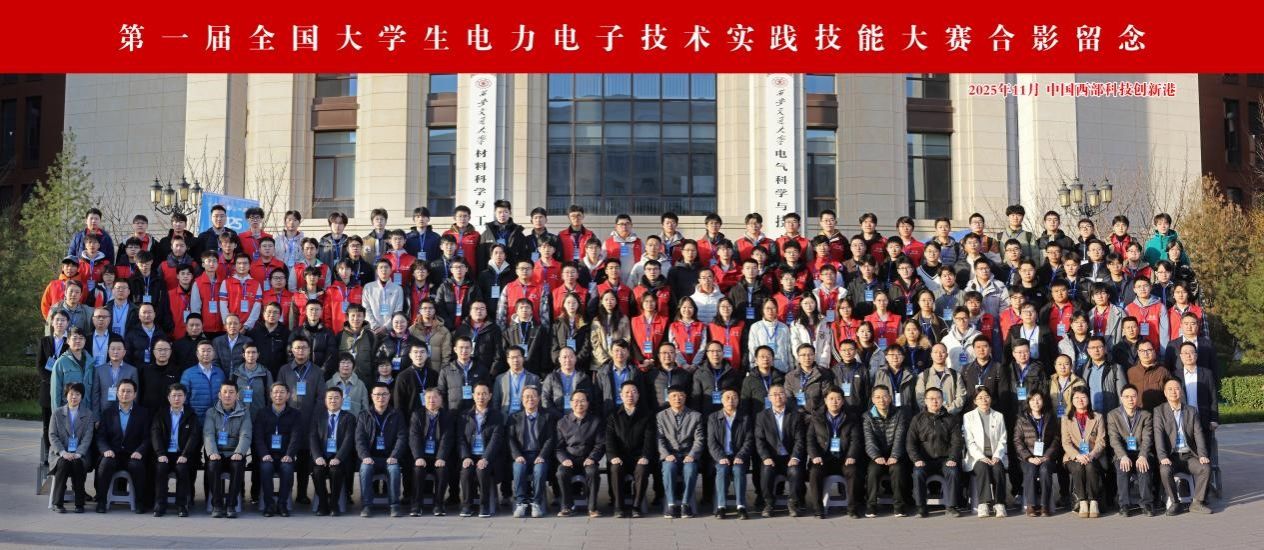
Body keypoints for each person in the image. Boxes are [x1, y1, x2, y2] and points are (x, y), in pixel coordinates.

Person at [1154, 377, 1214, 515]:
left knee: (1205, 467)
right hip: (1171, 456)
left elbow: (1198, 434)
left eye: (1177, 388)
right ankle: (1175, 503)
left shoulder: (1191, 411)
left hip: (1189, 455)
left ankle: (1197, 502)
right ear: (1165, 393)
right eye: (1170, 389)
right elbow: (1158, 435)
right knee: (1164, 470)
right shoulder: (1159, 411)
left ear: (1181, 391)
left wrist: (1202, 455)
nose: (1173, 392)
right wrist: (1162, 457)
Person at [93, 378, 151, 513]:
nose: (125, 394)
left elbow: (147, 437)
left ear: (135, 394)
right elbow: (100, 436)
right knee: (105, 464)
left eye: (129, 391)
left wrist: (140, 451)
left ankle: (139, 502)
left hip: (133, 454)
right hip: (113, 453)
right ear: (117, 393)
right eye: (122, 391)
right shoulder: (108, 413)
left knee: (138, 467)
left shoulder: (143, 413)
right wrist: (106, 450)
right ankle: (101, 501)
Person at [906, 387, 962, 517]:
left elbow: (957, 442)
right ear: (925, 401)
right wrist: (916, 459)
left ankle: (951, 507)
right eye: (931, 398)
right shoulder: (917, 419)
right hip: (924, 460)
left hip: (945, 459)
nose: (935, 401)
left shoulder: (951, 419)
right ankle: (921, 507)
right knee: (918, 473)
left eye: (938, 398)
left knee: (953, 472)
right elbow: (910, 442)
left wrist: (953, 458)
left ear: (943, 400)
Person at [752, 385, 805, 517]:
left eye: (781, 393)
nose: (778, 397)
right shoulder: (762, 416)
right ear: (769, 398)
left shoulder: (795, 415)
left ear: (785, 396)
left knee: (795, 470)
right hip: (772, 457)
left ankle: (793, 503)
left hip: (789, 457)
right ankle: (769, 503)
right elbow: (759, 440)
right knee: (766, 470)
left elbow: (800, 439)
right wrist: (765, 457)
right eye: (774, 394)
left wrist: (795, 457)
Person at [606, 381, 656, 517]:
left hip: (639, 456)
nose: (630, 395)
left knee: (642, 469)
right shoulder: (613, 415)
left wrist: (645, 456)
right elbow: (609, 439)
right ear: (621, 395)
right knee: (615, 469)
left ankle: (636, 506)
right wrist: (613, 456)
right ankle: (618, 506)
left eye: (633, 392)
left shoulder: (647, 414)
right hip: (620, 457)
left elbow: (649, 439)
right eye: (627, 392)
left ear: (638, 395)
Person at [253, 382, 302, 517]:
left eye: (281, 392)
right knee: (266, 468)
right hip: (267, 455)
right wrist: (264, 454)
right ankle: (269, 505)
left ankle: (282, 504)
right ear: (270, 395)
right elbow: (258, 437)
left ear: (288, 395)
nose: (278, 395)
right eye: (275, 392)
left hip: (285, 454)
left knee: (287, 468)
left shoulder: (295, 414)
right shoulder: (262, 413)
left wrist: (289, 454)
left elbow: (296, 437)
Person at [203, 381, 251, 518]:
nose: (227, 395)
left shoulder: (244, 412)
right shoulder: (211, 412)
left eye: (231, 392)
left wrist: (239, 452)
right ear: (219, 395)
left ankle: (231, 504)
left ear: (237, 395)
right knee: (213, 465)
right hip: (217, 453)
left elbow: (246, 434)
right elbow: (208, 434)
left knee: (237, 465)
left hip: (234, 452)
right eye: (224, 392)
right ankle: (217, 505)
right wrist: (212, 452)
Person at [152, 383, 200, 517]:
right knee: (161, 468)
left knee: (182, 469)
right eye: (174, 396)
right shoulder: (160, 414)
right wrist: (160, 453)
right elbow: (155, 434)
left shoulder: (191, 415)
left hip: (182, 454)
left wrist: (185, 454)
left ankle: (181, 505)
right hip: (165, 454)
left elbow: (194, 436)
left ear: (185, 397)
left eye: (180, 395)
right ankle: (160, 504)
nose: (177, 399)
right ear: (168, 398)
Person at [555, 390, 605, 518]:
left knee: (593, 472)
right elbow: (558, 447)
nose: (579, 404)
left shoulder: (595, 421)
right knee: (561, 473)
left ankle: (592, 507)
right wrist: (564, 459)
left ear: (588, 403)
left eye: (582, 401)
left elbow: (600, 444)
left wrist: (592, 458)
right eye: (576, 401)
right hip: (569, 459)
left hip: (588, 459)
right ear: (571, 403)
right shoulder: (562, 422)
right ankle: (567, 506)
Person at [1108, 384, 1156, 517]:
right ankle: (1124, 504)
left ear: (1137, 397)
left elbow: (1147, 438)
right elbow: (1114, 439)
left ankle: (1147, 503)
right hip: (1123, 453)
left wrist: (1143, 455)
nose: (1130, 399)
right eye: (1127, 396)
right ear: (1121, 398)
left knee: (1143, 466)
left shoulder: (1145, 415)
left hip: (1141, 452)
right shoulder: (1113, 415)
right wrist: (1123, 456)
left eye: (1133, 396)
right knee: (1122, 467)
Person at [657, 385, 704, 519]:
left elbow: (699, 439)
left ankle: (686, 503)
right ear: (668, 398)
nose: (677, 399)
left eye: (681, 396)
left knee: (690, 469)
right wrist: (666, 455)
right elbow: (659, 439)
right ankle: (671, 504)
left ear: (685, 397)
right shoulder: (661, 416)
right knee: (669, 468)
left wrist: (692, 455)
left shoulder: (696, 416)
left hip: (688, 454)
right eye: (674, 396)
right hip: (670, 455)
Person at [862, 385, 909, 517]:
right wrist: (876, 456)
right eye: (877, 397)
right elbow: (869, 440)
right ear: (873, 399)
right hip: (877, 456)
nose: (881, 400)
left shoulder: (899, 414)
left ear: (890, 398)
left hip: (895, 455)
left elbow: (900, 437)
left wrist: (895, 455)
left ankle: (899, 506)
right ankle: (871, 506)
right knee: (873, 471)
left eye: (884, 396)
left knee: (897, 469)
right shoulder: (867, 416)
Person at [48, 383, 95, 513]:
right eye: (71, 394)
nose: (74, 397)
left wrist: (78, 453)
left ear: (82, 396)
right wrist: (63, 452)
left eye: (77, 394)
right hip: (60, 453)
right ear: (66, 396)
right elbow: (52, 435)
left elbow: (88, 437)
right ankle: (58, 503)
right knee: (63, 464)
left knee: (77, 463)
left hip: (80, 454)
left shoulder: (88, 414)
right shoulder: (57, 413)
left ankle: (79, 503)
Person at [459, 381, 504, 518]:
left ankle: (484, 506)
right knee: (466, 471)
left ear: (490, 396)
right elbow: (460, 439)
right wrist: (466, 456)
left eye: (484, 394)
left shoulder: (496, 415)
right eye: (478, 394)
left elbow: (496, 440)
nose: (481, 397)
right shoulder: (465, 416)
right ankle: (467, 506)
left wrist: (485, 458)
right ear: (473, 395)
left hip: (489, 457)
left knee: (482, 470)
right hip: (470, 455)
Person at [311, 387, 357, 516]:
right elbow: (312, 437)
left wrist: (338, 457)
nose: (333, 401)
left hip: (340, 457)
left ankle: (334, 504)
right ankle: (322, 503)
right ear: (325, 400)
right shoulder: (318, 417)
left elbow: (349, 440)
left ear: (342, 400)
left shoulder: (349, 417)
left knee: (335, 471)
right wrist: (317, 456)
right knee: (317, 471)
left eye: (336, 398)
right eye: (330, 398)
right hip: (322, 456)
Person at [409, 388, 455, 516]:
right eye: (428, 397)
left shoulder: (447, 416)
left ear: (441, 400)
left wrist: (441, 457)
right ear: (424, 400)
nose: (431, 400)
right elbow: (414, 437)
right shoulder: (417, 415)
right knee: (418, 469)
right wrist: (418, 456)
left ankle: (439, 504)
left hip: (438, 456)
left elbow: (447, 438)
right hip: (422, 456)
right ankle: (416, 505)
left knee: (442, 470)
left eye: (435, 397)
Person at [1061, 386, 1106, 518]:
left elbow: (1101, 441)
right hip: (1073, 456)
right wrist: (1077, 455)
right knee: (1078, 467)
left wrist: (1092, 454)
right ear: (1072, 400)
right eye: (1076, 397)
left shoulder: (1098, 417)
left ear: (1088, 399)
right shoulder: (1066, 418)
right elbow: (1066, 442)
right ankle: (1082, 501)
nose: (1080, 400)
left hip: (1093, 455)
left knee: (1090, 467)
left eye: (1083, 397)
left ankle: (1093, 501)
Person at [1013, 390, 1060, 517]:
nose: (1036, 402)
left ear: (1043, 401)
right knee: (1031, 470)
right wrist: (1028, 457)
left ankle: (1045, 505)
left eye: (1039, 399)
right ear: (1028, 402)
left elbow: (1056, 439)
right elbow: (1017, 441)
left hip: (1046, 458)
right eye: (1033, 400)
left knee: (1045, 470)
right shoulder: (1022, 418)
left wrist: (1047, 456)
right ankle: (1031, 505)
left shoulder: (1050, 417)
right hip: (1028, 458)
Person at [963, 388, 1007, 517]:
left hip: (995, 455)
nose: (984, 400)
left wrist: (997, 455)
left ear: (991, 399)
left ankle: (999, 503)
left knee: (998, 469)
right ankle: (983, 503)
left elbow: (1003, 439)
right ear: (975, 401)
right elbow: (969, 441)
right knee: (982, 467)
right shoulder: (968, 416)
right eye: (980, 398)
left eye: (987, 397)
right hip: (977, 456)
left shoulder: (998, 416)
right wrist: (981, 457)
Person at [915, 343, 967, 414]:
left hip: (951, 417)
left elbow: (961, 397)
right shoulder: (923, 376)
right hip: (930, 417)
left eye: (942, 352)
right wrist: (932, 412)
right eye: (936, 352)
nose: (939, 355)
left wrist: (948, 412)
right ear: (931, 355)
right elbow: (920, 398)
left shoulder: (956, 375)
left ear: (947, 355)